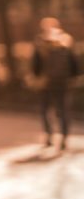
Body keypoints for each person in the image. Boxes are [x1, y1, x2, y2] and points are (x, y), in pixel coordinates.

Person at [30, 17, 79, 150]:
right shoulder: (66, 41)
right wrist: (73, 77)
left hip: (45, 83)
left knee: (45, 110)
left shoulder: (40, 42)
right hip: (63, 82)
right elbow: (74, 63)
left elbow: (35, 65)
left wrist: (36, 77)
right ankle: (64, 136)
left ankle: (49, 135)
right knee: (63, 110)